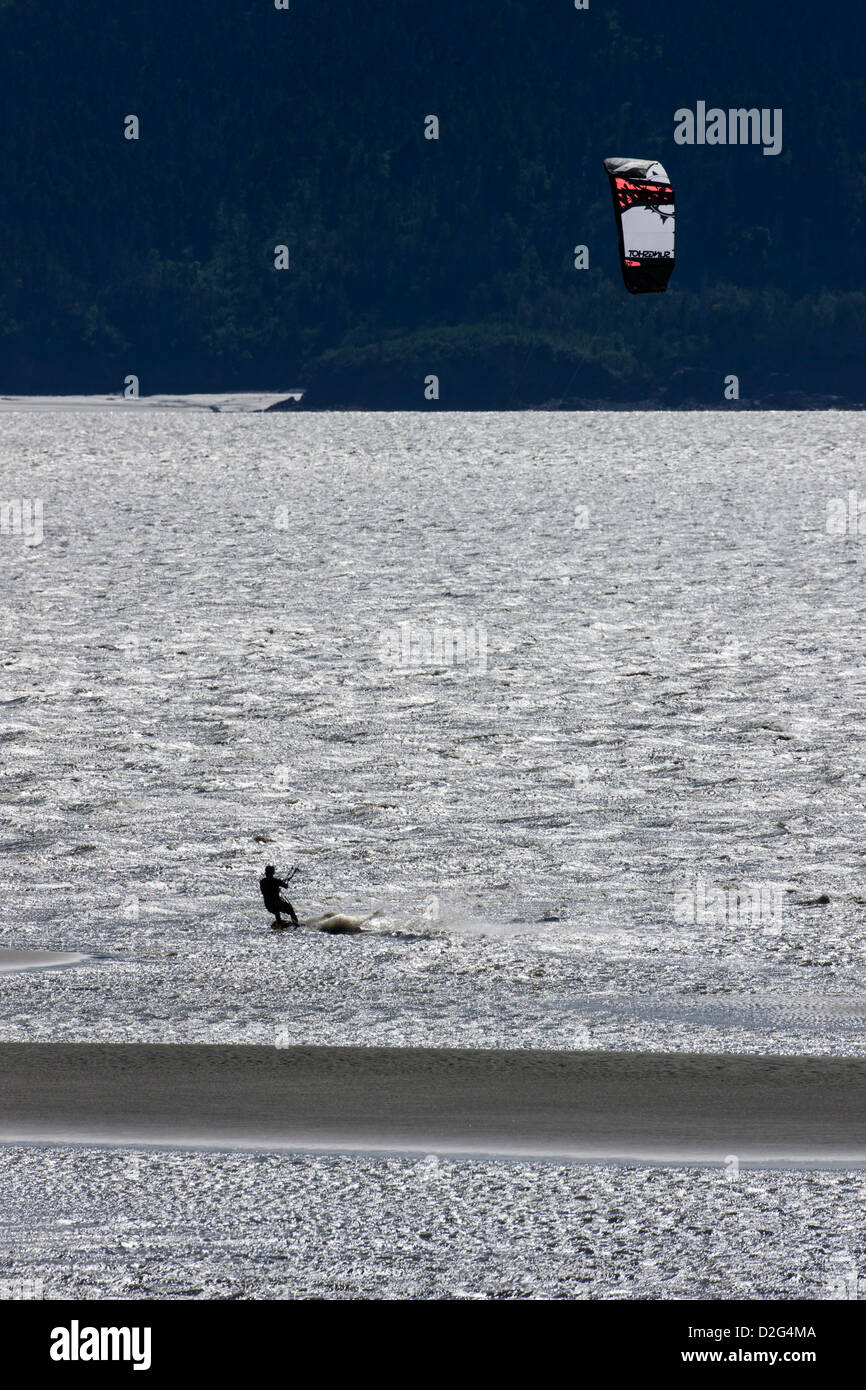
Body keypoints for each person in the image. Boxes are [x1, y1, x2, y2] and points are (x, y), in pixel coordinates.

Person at [260, 864, 299, 929]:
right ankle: (296, 924)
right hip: (276, 903)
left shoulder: (262, 881)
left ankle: (280, 922)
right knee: (290, 910)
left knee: (276, 912)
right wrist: (284, 883)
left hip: (268, 904)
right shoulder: (275, 881)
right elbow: (285, 886)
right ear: (273, 873)